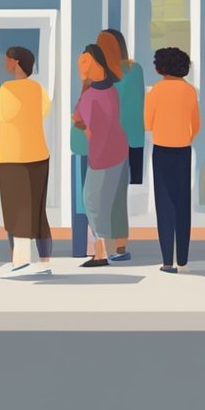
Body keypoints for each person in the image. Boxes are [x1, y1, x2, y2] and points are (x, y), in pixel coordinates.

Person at [0, 46, 53, 278]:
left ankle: (20, 262)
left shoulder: (7, 89)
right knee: (38, 210)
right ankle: (44, 260)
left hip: (12, 157)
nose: (5, 63)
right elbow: (44, 111)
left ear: (16, 62)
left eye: (7, 60)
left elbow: (2, 115)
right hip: (39, 154)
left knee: (16, 209)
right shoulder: (38, 89)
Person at [144, 47, 199, 274]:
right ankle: (184, 259)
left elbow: (147, 123)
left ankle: (168, 261)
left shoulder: (156, 91)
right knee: (182, 204)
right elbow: (196, 125)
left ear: (160, 68)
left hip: (163, 150)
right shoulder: (189, 91)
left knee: (164, 205)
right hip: (183, 150)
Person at [73, 45, 128, 268]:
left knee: (92, 202)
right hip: (118, 151)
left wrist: (83, 86)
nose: (81, 67)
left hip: (101, 154)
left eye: (84, 62)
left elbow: (78, 119)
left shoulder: (90, 96)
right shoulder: (111, 90)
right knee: (104, 202)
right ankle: (105, 250)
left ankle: (101, 253)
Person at [98, 29, 143, 262]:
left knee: (100, 196)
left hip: (105, 142)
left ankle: (103, 248)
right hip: (128, 141)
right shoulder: (134, 70)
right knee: (118, 197)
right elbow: (137, 108)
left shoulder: (102, 74)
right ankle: (120, 248)